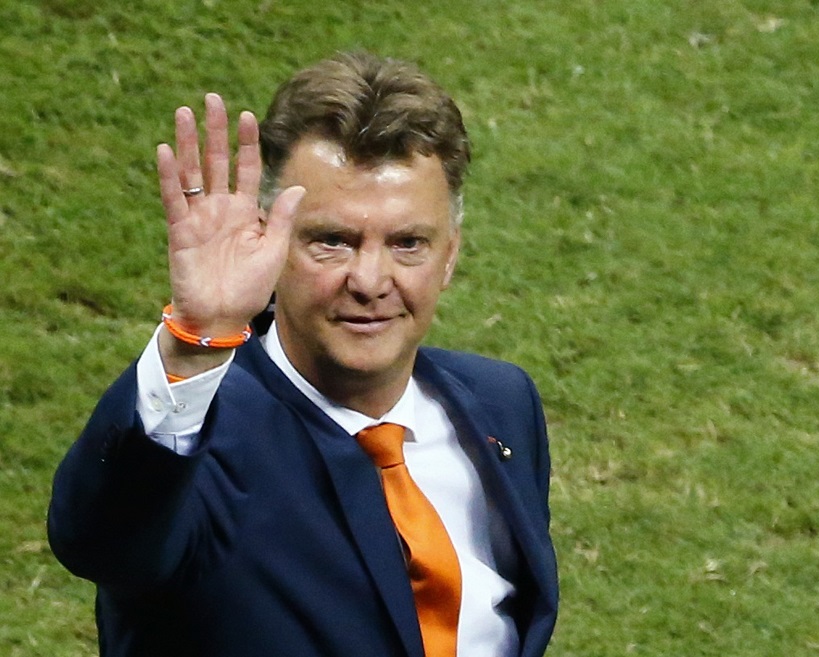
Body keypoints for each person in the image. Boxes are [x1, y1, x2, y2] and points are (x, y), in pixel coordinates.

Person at [48, 51, 558, 657]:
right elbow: (102, 544)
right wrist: (195, 337)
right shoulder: (197, 439)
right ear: (270, 241)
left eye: (408, 243)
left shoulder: (501, 402)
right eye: (333, 241)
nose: (370, 280)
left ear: (449, 254)